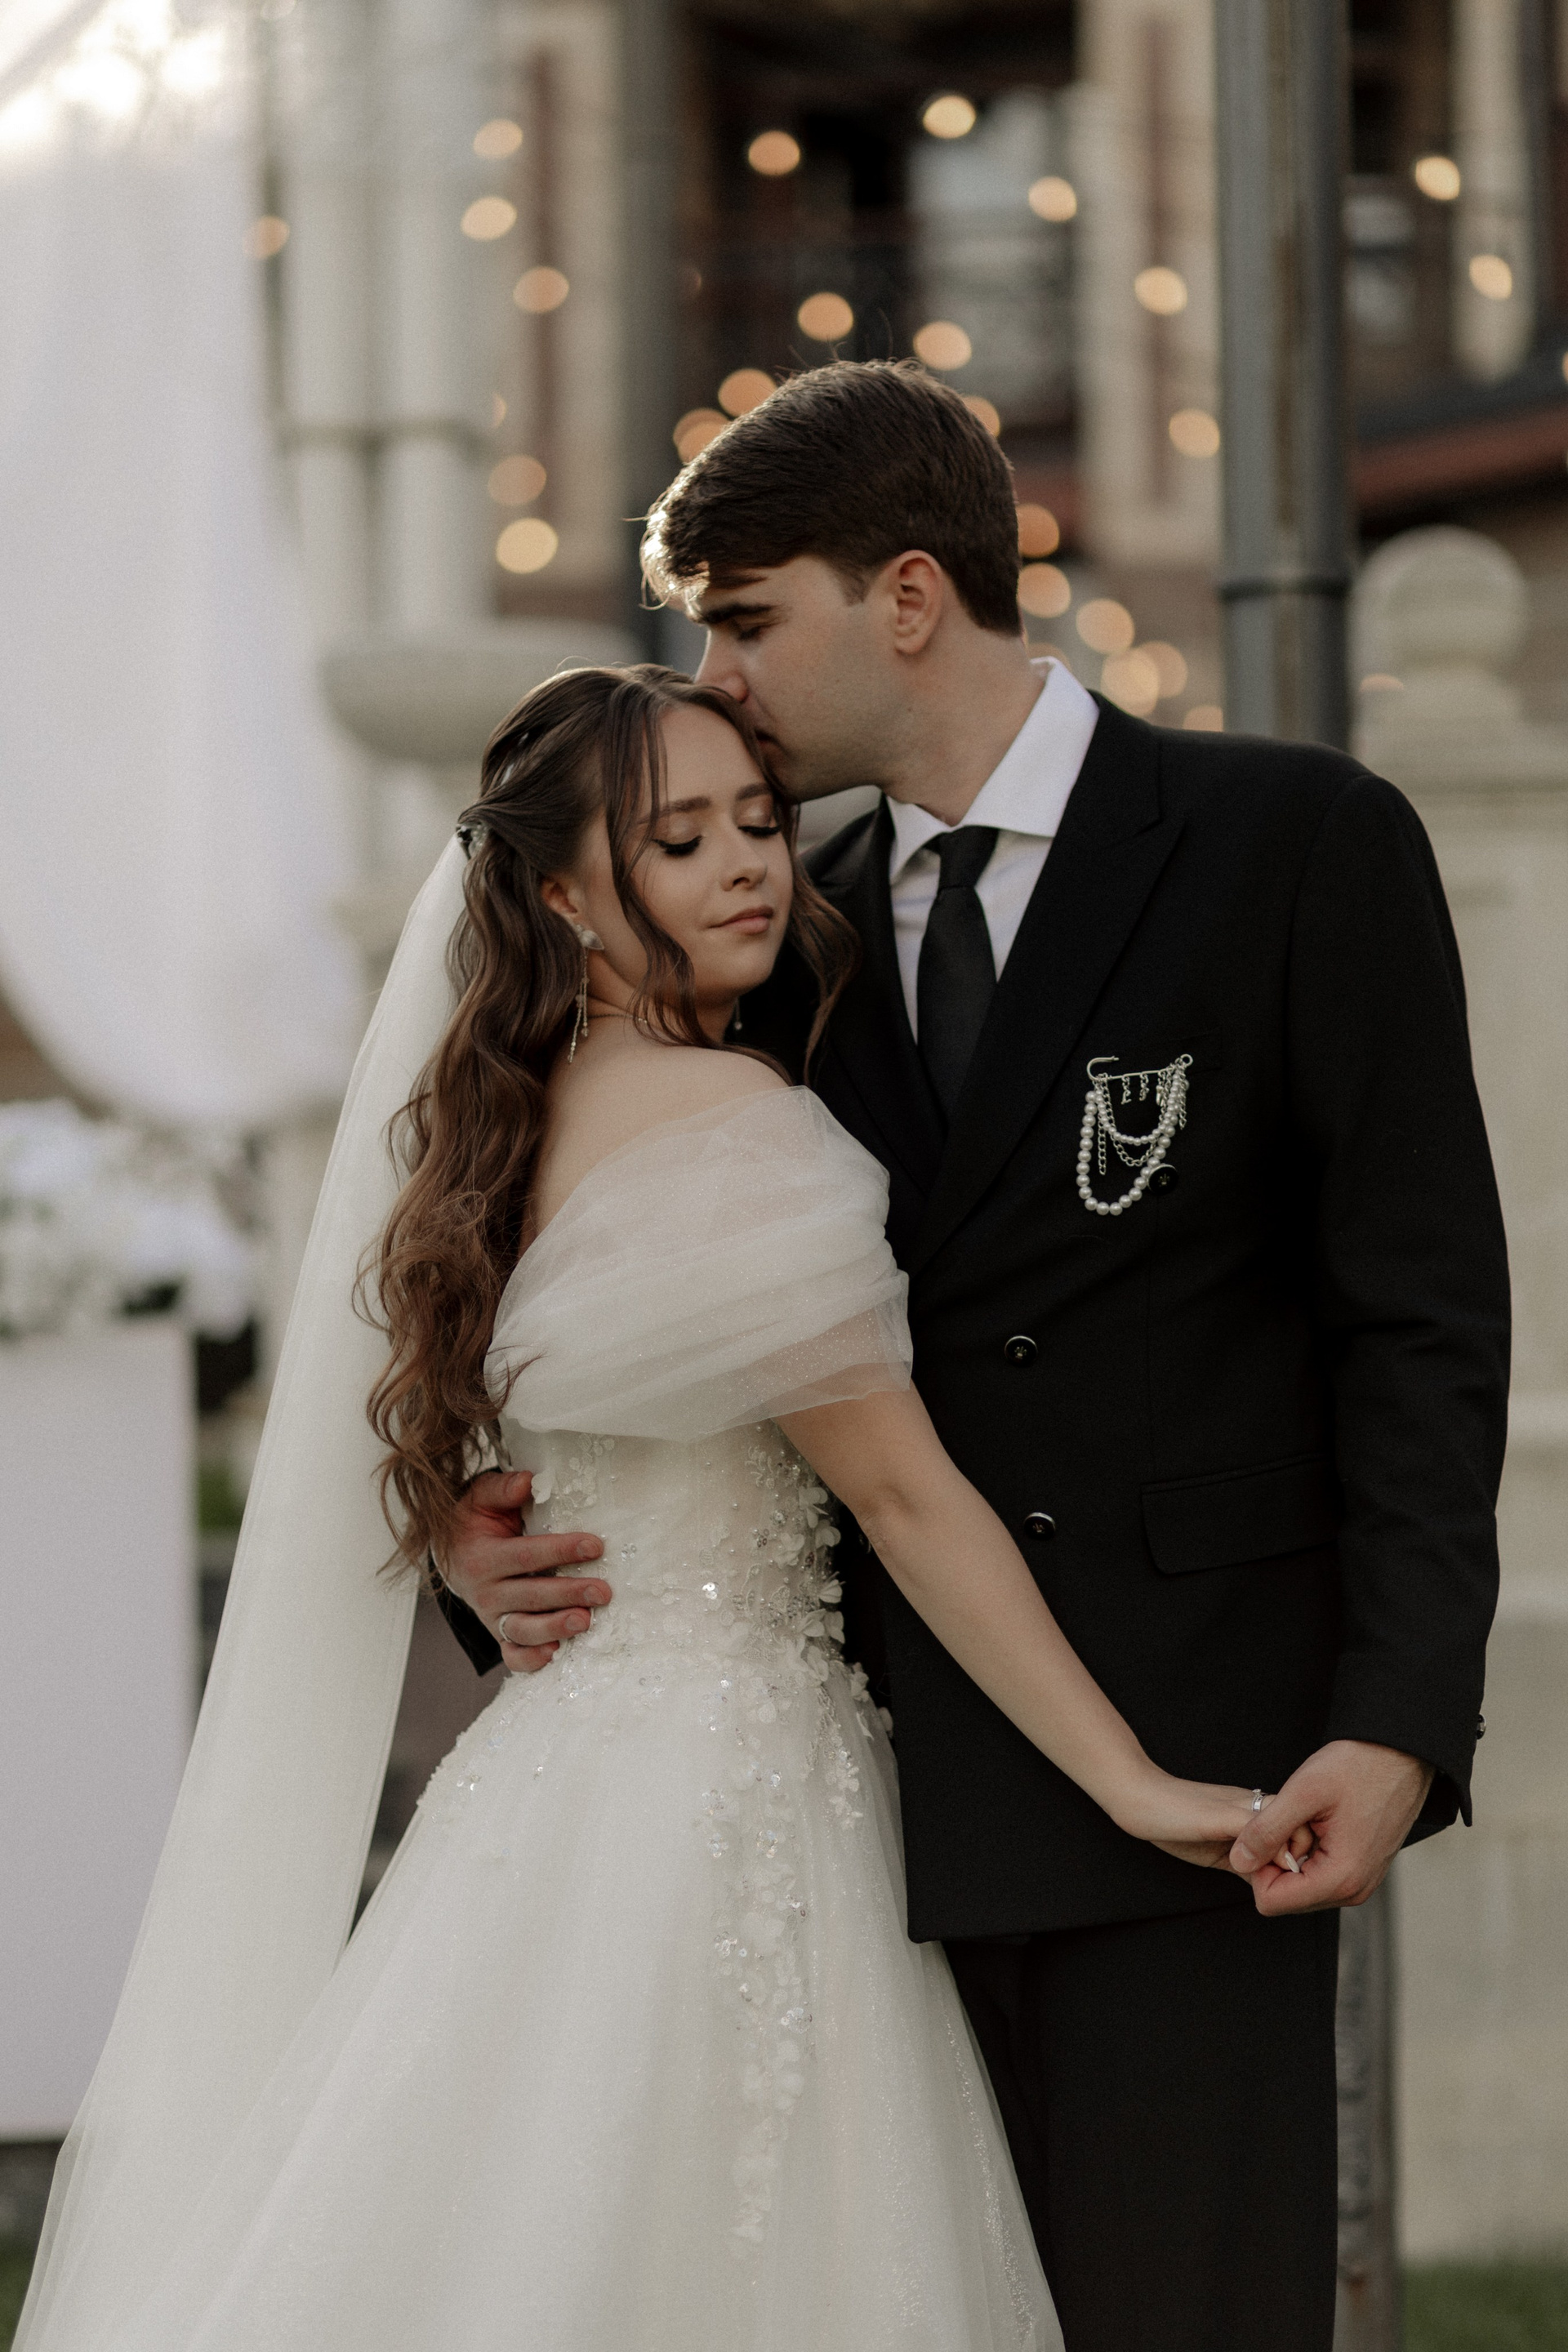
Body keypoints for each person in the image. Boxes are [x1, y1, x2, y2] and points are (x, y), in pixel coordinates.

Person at [17, 662, 1304, 2352]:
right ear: (562, 897)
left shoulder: (503, 1124)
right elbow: (905, 1496)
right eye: (679, 841)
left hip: (550, 1778)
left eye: (759, 823)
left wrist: (463, 1520)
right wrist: (1131, 1780)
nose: (748, 866)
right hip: (736, 1784)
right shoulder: (731, 1122)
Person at [437, 363, 1510, 2351]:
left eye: (748, 622)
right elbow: (579, 1271)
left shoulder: (1292, 841)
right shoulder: (773, 937)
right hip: (849, 1813)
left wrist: (1403, 1713)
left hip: (1202, 1767)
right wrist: (481, 1543)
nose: (718, 681)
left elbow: (1422, 1318)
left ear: (909, 597)